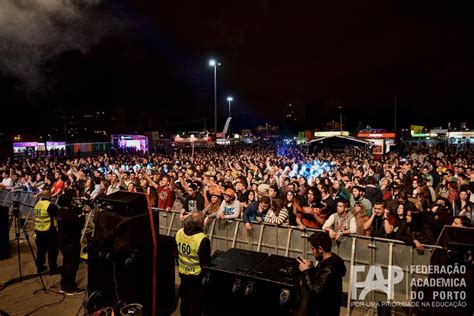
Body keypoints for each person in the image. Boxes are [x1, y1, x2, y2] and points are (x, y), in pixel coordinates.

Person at [296, 232, 346, 316]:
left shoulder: (329, 268)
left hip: (324, 311)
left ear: (319, 249)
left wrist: (305, 272)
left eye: (313, 249)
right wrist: (310, 268)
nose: (312, 252)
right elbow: (320, 279)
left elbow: (315, 291)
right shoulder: (330, 261)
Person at [175, 211, 211, 316]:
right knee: (195, 307)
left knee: (184, 304)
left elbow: (176, 252)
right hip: (196, 279)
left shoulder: (179, 232)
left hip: (183, 275)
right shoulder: (202, 239)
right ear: (201, 223)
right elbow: (205, 262)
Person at [56, 194, 85, 295]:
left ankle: (64, 285)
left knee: (66, 264)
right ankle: (70, 288)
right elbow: (79, 225)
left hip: (63, 241)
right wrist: (82, 216)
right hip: (71, 242)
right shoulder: (69, 214)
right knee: (71, 265)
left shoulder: (59, 212)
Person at [33, 190, 59, 275]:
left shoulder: (37, 204)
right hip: (49, 231)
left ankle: (40, 267)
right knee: (52, 251)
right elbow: (57, 215)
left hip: (39, 230)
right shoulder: (50, 205)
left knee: (41, 250)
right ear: (49, 196)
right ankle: (53, 269)